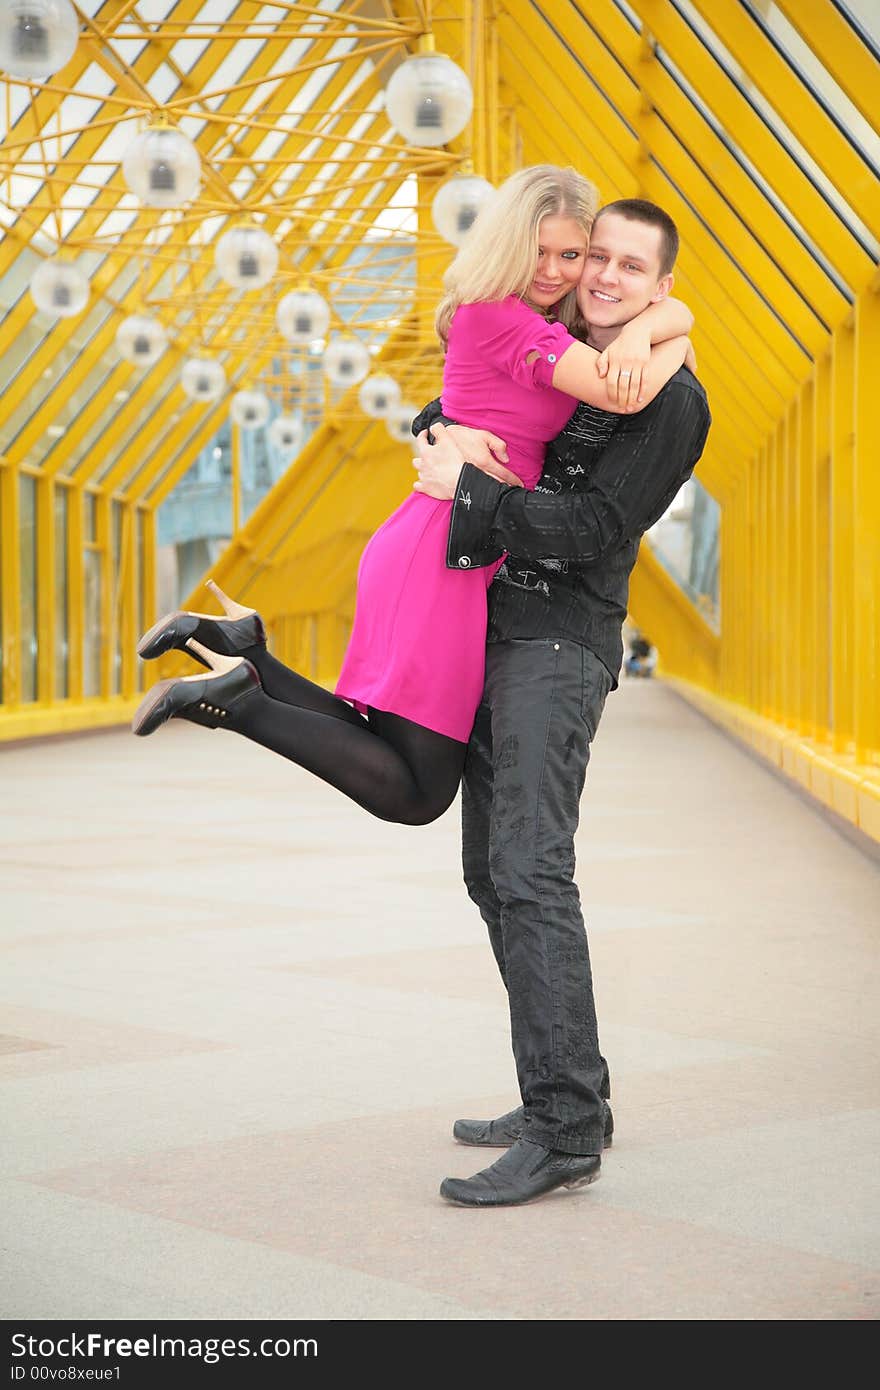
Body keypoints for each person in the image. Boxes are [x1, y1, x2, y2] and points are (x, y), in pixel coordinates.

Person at [132, 169, 692, 840]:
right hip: (442, 553)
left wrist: (659, 320)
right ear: (506, 245)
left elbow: (469, 404)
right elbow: (622, 393)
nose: (553, 270)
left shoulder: (542, 322)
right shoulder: (501, 317)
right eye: (537, 251)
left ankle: (250, 657)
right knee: (418, 791)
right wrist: (668, 339)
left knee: (396, 749)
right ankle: (243, 704)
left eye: (570, 255)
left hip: (447, 541)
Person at [411, 198, 711, 1207]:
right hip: (494, 631)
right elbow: (474, 408)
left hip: (558, 640)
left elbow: (591, 525)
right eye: (598, 257)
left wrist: (473, 490)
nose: (606, 275)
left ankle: (564, 1127)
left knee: (531, 871)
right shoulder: (573, 356)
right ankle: (564, 1087)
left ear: (659, 283)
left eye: (633, 266)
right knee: (491, 875)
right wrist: (449, 442)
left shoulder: (669, 402)